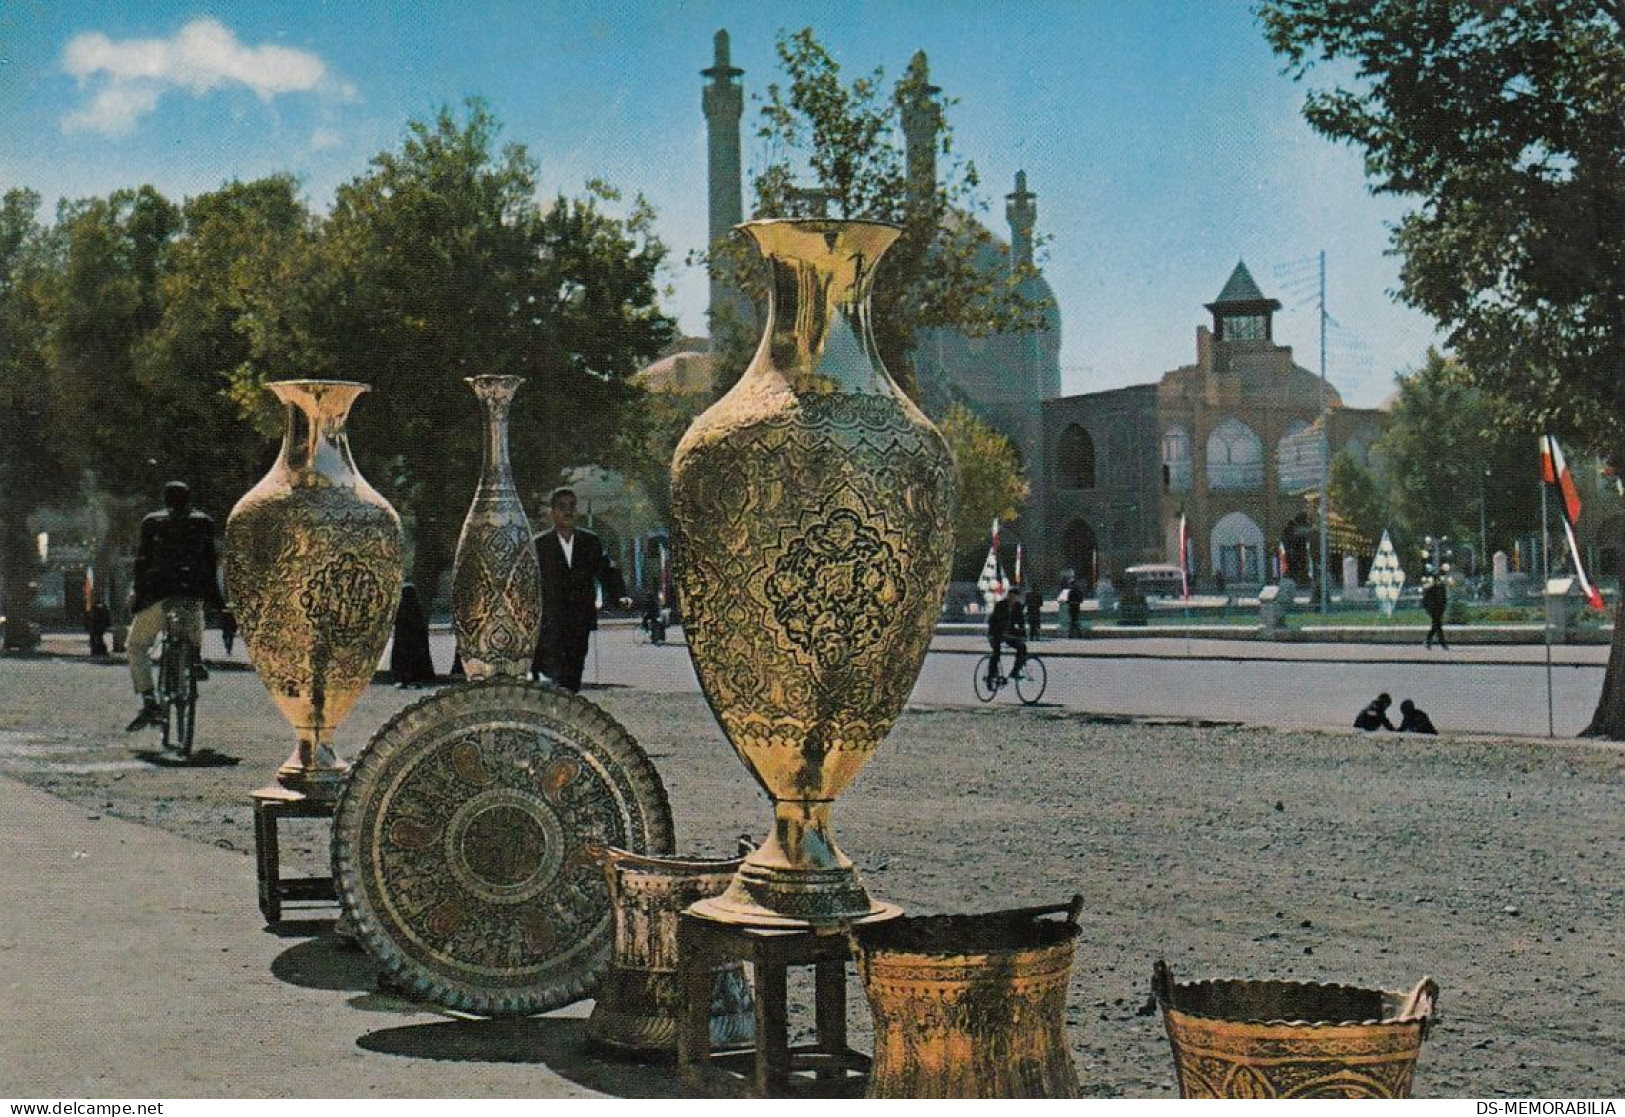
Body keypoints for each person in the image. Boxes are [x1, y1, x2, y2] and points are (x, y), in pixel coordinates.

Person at [125, 482, 224, 732]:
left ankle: (149, 700)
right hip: (191, 593)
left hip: (157, 595)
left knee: (136, 646)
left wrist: (137, 594)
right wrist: (217, 601)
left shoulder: (152, 522)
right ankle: (195, 657)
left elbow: (142, 561)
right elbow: (210, 564)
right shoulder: (203, 523)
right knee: (193, 616)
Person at [531, 487, 631, 692]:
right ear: (552, 512)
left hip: (579, 621)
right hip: (549, 623)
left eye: (571, 506)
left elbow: (606, 571)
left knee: (573, 673)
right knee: (549, 675)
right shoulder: (539, 545)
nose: (567, 511)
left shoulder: (590, 542)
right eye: (561, 507)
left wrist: (620, 596)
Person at [389, 582, 436, 687]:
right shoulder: (416, 607)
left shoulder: (401, 607)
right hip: (414, 643)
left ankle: (403, 678)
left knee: (403, 661)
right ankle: (414, 679)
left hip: (403, 642)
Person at [987, 586, 1029, 686]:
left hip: (1008, 633)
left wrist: (1023, 634)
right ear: (1008, 595)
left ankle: (1015, 671)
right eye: (1012, 596)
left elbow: (1021, 621)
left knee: (1022, 647)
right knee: (996, 653)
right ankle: (991, 675)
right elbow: (994, 621)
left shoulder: (1018, 606)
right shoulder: (1000, 605)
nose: (1014, 599)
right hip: (996, 632)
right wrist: (996, 634)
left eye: (1016, 597)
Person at [1422, 579, 1449, 650]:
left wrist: (1443, 609)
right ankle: (1443, 643)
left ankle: (1428, 641)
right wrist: (1429, 610)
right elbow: (1425, 601)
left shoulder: (1442, 588)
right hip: (1433, 610)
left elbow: (1444, 599)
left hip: (1439, 610)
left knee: (1435, 626)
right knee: (1438, 626)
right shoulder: (1431, 589)